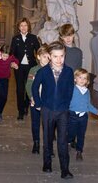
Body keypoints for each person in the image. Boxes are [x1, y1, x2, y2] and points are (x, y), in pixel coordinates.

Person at [32, 41, 74, 179]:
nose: (59, 59)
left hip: (62, 111)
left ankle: (65, 169)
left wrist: (66, 104)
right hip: (48, 110)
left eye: (61, 56)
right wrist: (38, 103)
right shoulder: (42, 71)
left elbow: (70, 89)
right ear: (49, 56)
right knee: (48, 138)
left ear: (64, 55)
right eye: (55, 56)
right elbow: (34, 87)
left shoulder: (68, 71)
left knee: (62, 140)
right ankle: (47, 163)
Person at [68, 68, 98, 161]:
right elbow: (66, 101)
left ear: (87, 81)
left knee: (81, 134)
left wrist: (96, 111)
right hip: (72, 115)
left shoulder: (87, 91)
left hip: (83, 117)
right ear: (75, 79)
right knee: (71, 133)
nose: (82, 80)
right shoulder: (72, 89)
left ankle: (79, 151)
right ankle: (68, 142)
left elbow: (89, 105)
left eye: (84, 78)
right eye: (80, 77)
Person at [10, 17, 40, 120]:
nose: (23, 27)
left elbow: (39, 52)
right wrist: (12, 63)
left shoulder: (33, 38)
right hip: (18, 68)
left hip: (31, 67)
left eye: (25, 25)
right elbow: (11, 54)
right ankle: (20, 111)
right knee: (19, 89)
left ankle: (27, 106)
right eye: (21, 25)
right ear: (19, 27)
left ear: (28, 27)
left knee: (30, 87)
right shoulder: (15, 38)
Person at [25, 45, 50, 154]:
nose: (47, 59)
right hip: (35, 101)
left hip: (48, 102)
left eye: (48, 57)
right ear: (39, 57)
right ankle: (36, 143)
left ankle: (48, 146)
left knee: (48, 125)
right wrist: (32, 97)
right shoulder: (34, 70)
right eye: (44, 57)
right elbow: (29, 85)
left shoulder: (52, 70)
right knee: (35, 123)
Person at [0, 44, 19, 123]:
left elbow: (16, 60)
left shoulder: (10, 57)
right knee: (2, 95)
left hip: (5, 79)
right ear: (1, 52)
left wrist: (15, 64)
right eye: (4, 55)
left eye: (7, 56)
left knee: (2, 96)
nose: (5, 58)